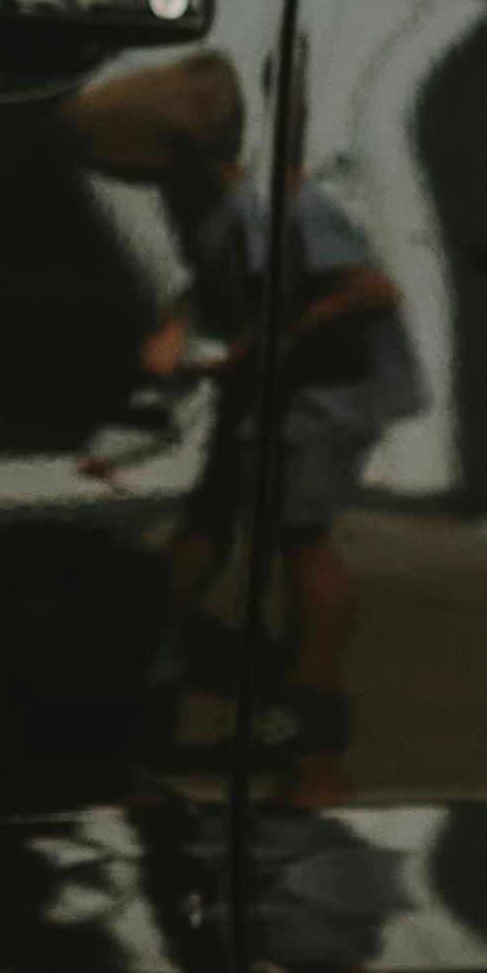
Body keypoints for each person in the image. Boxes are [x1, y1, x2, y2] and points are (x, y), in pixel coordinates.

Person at [57, 50, 421, 793]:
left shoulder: (277, 207)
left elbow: (368, 290)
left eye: (114, 162)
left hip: (322, 395)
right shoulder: (211, 211)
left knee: (298, 540)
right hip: (261, 389)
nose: (108, 176)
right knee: (205, 524)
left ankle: (315, 732)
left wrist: (264, 345)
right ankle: (149, 681)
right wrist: (176, 325)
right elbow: (215, 282)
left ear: (174, 151)